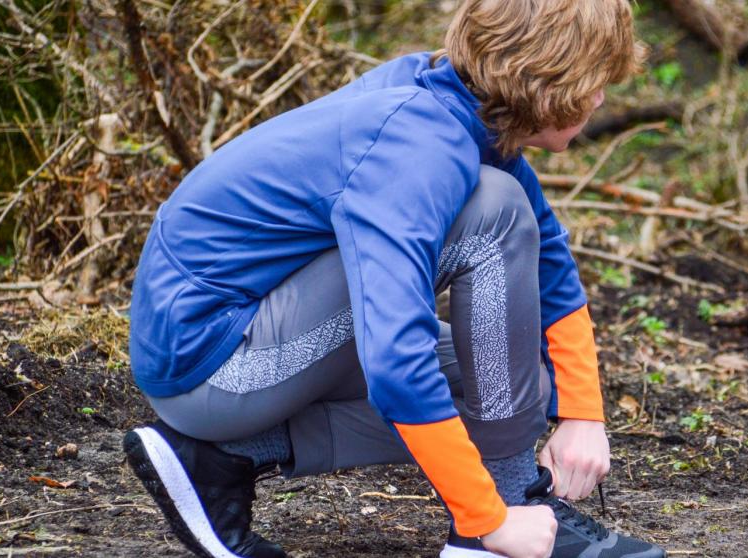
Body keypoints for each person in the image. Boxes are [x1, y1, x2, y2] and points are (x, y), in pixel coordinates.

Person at [122, 1, 666, 557]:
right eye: (598, 83)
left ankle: (225, 458)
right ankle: (498, 528)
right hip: (215, 362)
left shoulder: (457, 105)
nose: (602, 99)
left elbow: (550, 257)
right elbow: (396, 358)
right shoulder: (416, 146)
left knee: (520, 383)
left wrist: (582, 414)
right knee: (493, 212)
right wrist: (488, 519)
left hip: (257, 342)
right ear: (554, 86)